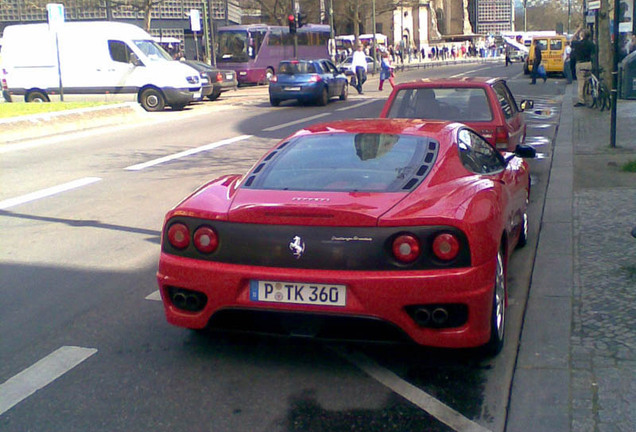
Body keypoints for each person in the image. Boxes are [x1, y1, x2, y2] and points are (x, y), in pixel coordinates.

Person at [571, 28, 595, 107]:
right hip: (589, 63)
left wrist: (577, 31)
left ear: (582, 35)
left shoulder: (577, 44)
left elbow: (572, 40)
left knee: (581, 82)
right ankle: (590, 95)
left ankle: (581, 100)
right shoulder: (591, 44)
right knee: (589, 79)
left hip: (580, 64)